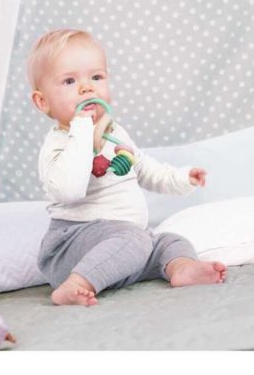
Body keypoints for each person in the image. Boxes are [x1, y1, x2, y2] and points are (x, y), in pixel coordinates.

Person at [28, 28, 227, 306]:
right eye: (70, 81)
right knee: (134, 239)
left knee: (168, 242)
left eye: (96, 77)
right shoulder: (58, 144)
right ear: (43, 101)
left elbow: (144, 168)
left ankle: (181, 268)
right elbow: (70, 190)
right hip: (72, 244)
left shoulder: (115, 133)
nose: (87, 88)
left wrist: (183, 177)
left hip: (123, 244)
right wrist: (82, 128)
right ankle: (75, 284)